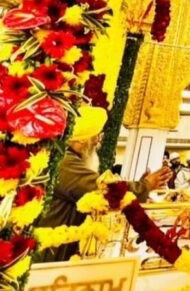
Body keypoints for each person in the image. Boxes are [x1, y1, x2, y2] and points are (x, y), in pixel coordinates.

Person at [35, 105, 171, 262]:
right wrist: (145, 185)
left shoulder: (64, 158)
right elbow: (101, 190)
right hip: (50, 251)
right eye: (96, 135)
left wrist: (142, 184)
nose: (98, 140)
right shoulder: (65, 163)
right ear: (81, 138)